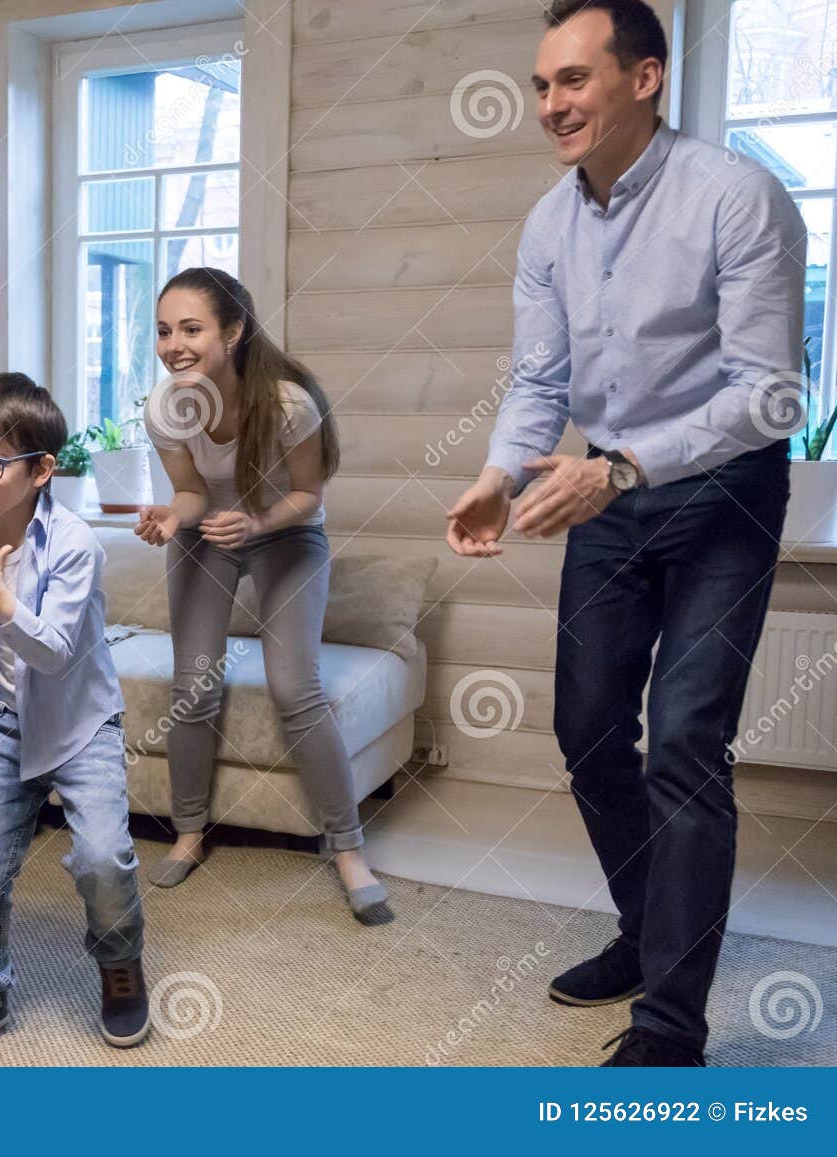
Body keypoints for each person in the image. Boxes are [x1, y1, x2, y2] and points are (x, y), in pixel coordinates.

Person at [446, 0, 806, 1066]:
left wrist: (625, 467)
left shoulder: (734, 197)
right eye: (541, 85)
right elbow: (543, 380)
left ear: (643, 79)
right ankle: (650, 929)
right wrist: (496, 475)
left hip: (724, 491)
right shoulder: (548, 225)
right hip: (605, 483)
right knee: (589, 729)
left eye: (573, 80)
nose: (551, 104)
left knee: (686, 742)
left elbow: (769, 395)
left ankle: (670, 1025)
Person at [134, 266, 393, 925]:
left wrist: (256, 522)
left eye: (191, 328)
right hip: (207, 537)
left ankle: (348, 850)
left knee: (292, 686)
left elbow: (309, 494)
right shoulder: (164, 407)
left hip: (285, 535)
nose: (174, 344)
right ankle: (189, 833)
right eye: (164, 331)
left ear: (234, 330)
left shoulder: (287, 403)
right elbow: (193, 492)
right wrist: (172, 517)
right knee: (192, 685)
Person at [0, 372, 148, 1060]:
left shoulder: (75, 543)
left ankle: (121, 965)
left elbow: (58, 652)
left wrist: (1, 603)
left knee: (103, 858)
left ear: (42, 469)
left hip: (80, 722)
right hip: (7, 722)